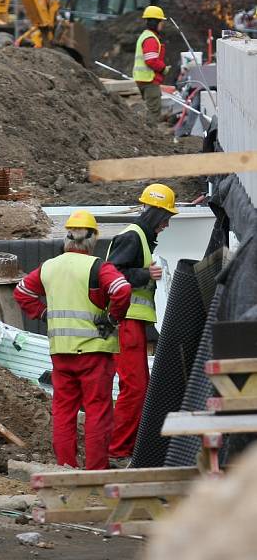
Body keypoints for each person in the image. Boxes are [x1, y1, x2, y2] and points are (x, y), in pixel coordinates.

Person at [13, 210, 132, 470]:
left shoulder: (49, 267)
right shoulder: (98, 267)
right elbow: (122, 289)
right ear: (91, 240)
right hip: (94, 353)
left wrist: (42, 314)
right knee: (97, 412)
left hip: (61, 353)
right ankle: (95, 470)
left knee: (63, 413)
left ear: (67, 238)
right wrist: (112, 318)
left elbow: (22, 291)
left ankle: (65, 468)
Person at [106, 184, 178, 468]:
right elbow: (111, 273)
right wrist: (144, 274)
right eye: (166, 217)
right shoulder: (133, 236)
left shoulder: (141, 238)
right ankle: (118, 449)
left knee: (139, 386)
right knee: (135, 387)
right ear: (156, 212)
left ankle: (126, 446)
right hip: (126, 321)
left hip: (132, 321)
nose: (167, 224)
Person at [133, 5, 170, 125]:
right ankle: (152, 137)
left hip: (143, 79)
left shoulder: (145, 36)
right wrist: (163, 68)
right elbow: (151, 60)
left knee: (150, 110)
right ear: (155, 22)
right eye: (161, 21)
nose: (162, 24)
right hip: (149, 80)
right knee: (153, 113)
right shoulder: (151, 39)